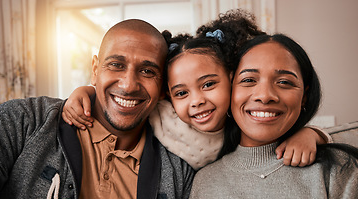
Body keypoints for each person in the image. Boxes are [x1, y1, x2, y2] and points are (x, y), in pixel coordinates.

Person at [0, 19, 195, 199]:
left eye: (147, 71)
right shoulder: (25, 121)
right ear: (94, 70)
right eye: (116, 65)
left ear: (162, 89)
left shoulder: (179, 171)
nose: (128, 85)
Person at [62, 10, 331, 171]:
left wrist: (312, 134)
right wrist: (86, 91)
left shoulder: (245, 120)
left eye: (209, 85)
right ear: (168, 95)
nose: (197, 101)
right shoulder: (162, 113)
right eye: (181, 93)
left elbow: (291, 123)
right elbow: (125, 96)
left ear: (231, 77)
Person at [184, 33, 358, 199]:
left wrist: (317, 133)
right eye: (248, 80)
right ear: (230, 90)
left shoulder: (337, 170)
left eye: (284, 82)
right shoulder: (203, 181)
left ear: (304, 97)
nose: (265, 95)